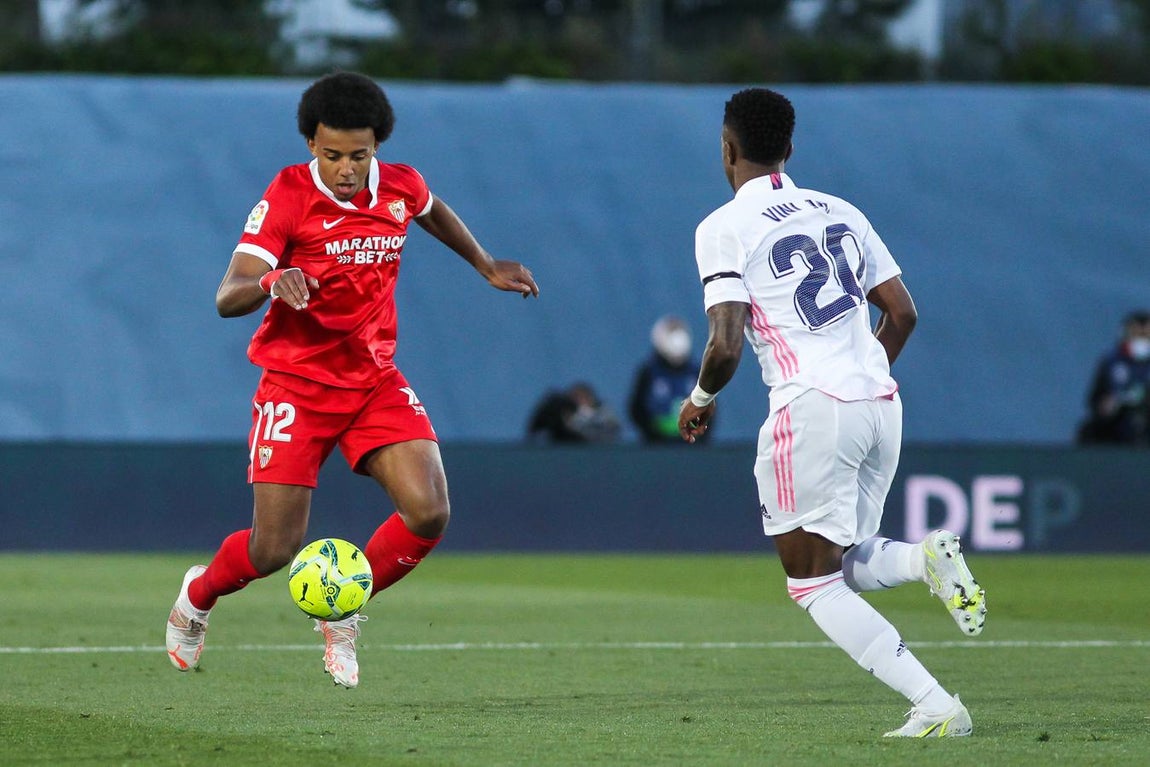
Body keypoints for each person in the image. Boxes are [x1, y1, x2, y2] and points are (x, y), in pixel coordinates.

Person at [165, 71, 539, 688]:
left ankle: (341, 612)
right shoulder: (287, 196)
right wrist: (271, 281)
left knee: (429, 511)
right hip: (296, 384)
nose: (345, 169)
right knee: (273, 549)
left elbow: (431, 210)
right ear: (312, 144)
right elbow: (227, 296)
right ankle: (197, 596)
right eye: (332, 154)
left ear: (376, 147)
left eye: (358, 155)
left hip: (372, 379)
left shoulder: (400, 184)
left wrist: (484, 264)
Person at [677, 88, 987, 738]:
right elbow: (902, 313)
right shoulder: (841, 210)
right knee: (842, 561)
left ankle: (936, 705)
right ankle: (923, 559)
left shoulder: (723, 226)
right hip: (880, 403)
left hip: (813, 405)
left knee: (811, 583)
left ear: (727, 150)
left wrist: (700, 399)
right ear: (789, 149)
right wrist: (863, 376)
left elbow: (725, 343)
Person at [628, 315, 708, 444]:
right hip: (656, 445)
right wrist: (652, 435)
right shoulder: (649, 373)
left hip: (691, 446)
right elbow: (636, 409)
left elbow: (708, 408)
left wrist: (698, 437)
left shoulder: (696, 374)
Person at [1078, 310, 1150, 445]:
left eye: (1145, 335)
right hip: (1116, 422)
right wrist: (1103, 405)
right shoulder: (1111, 362)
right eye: (1136, 334)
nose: (1141, 341)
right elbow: (1095, 397)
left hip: (1145, 421)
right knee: (1089, 430)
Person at [526, 381, 621, 444]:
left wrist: (574, 426)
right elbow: (537, 434)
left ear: (591, 399)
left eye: (581, 397)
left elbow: (607, 438)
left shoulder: (605, 415)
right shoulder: (560, 418)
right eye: (574, 398)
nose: (577, 402)